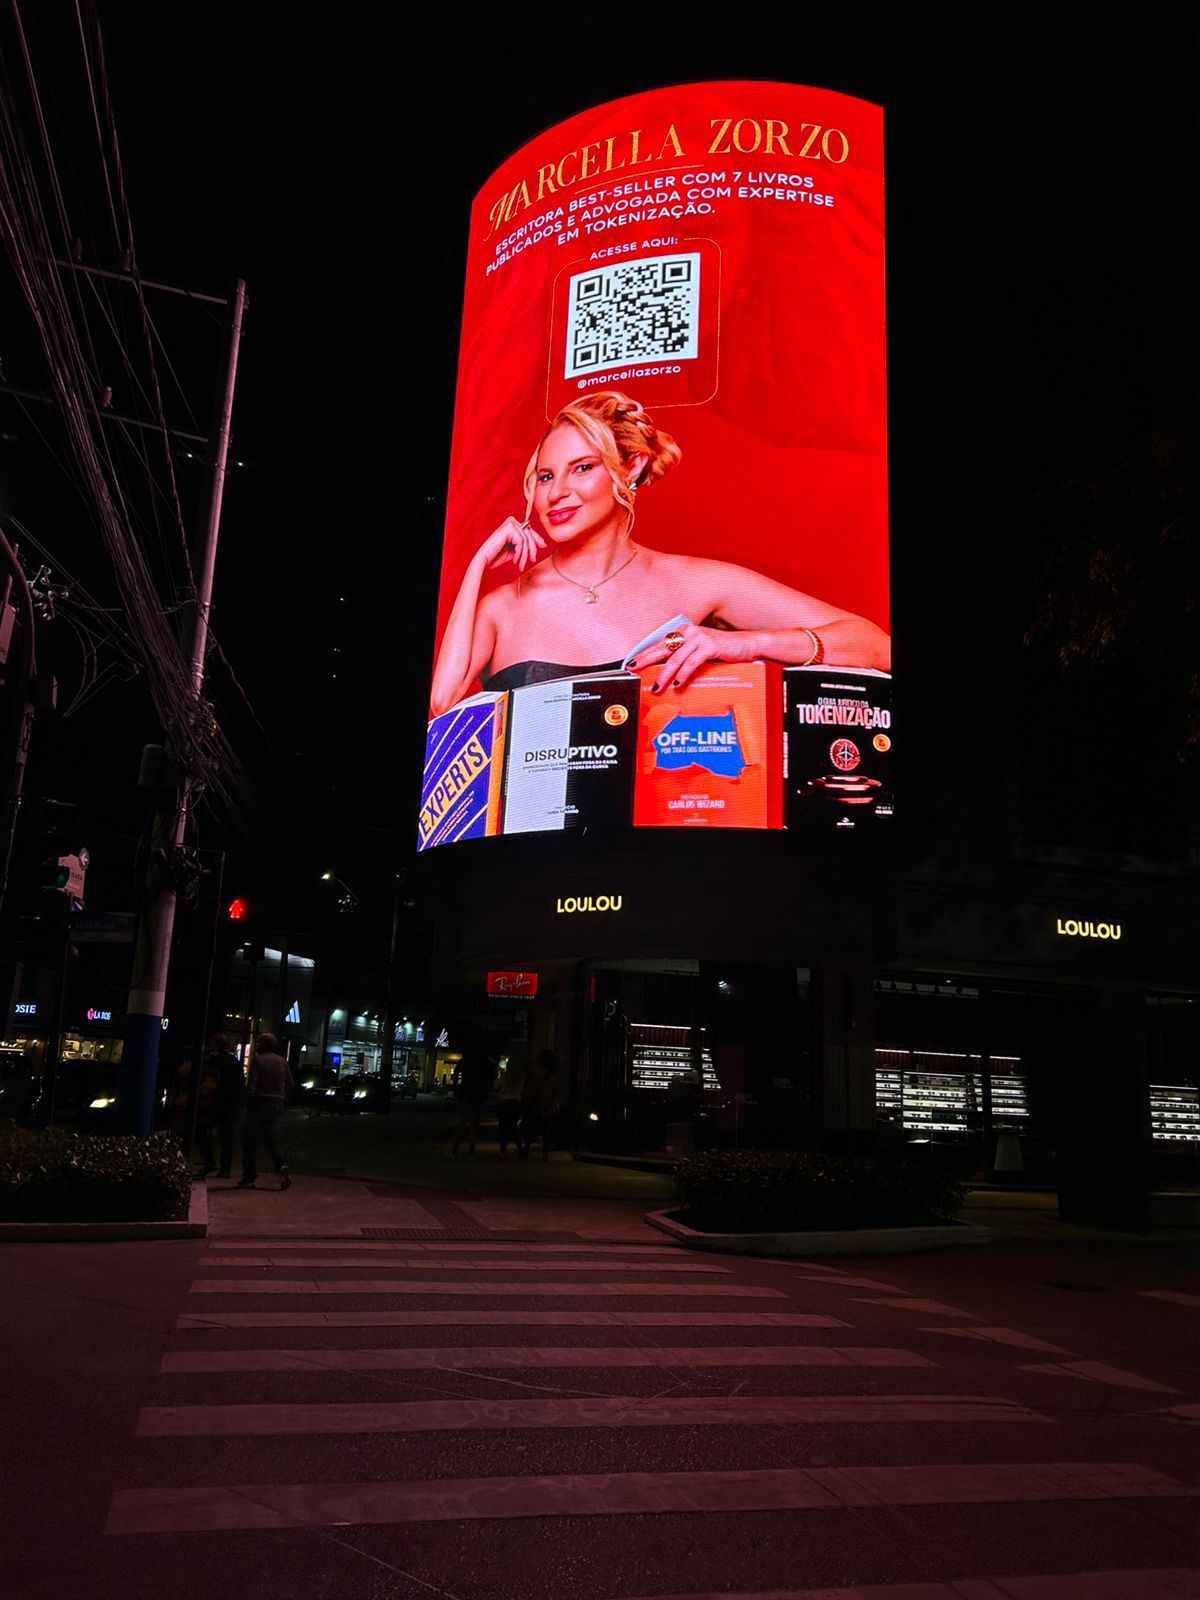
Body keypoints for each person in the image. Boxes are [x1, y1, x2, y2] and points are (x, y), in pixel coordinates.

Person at [429, 390, 890, 716]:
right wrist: (476, 566)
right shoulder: (501, 607)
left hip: (672, 838)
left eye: (582, 468)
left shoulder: (699, 583)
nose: (557, 493)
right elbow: (442, 705)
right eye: (546, 477)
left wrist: (741, 643)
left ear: (630, 467)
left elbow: (877, 647)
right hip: (541, 842)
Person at [237, 1033, 295, 1190]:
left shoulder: (257, 1060)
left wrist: (246, 1102)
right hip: (275, 1105)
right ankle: (281, 1166)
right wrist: (283, 1100)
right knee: (273, 1141)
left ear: (263, 1045)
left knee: (249, 1141)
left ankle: (249, 1176)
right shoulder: (282, 1061)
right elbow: (290, 1084)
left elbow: (253, 1084)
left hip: (258, 1105)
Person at [450, 1040, 496, 1159]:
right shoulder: (486, 1062)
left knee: (461, 1122)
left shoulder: (465, 1061)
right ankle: (471, 1149)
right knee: (473, 1124)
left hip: (465, 1093)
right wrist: (486, 1091)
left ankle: (454, 1149)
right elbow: (492, 1077)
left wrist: (456, 1090)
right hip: (479, 1095)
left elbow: (455, 1075)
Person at [208, 1033, 244, 1178]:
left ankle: (211, 1162)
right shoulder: (232, 1061)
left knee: (216, 1135)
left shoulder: (214, 1061)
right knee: (226, 1138)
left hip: (221, 1102)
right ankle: (225, 1168)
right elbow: (240, 1083)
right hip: (230, 1104)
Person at [519, 1049, 560, 1161]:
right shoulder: (552, 1073)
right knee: (545, 1129)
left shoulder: (536, 1071)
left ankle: (527, 1149)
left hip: (537, 1103)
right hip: (547, 1104)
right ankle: (544, 1152)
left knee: (531, 1126)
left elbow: (532, 1086)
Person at [494, 1058, 524, 1160]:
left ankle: (503, 1153)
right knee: (513, 1126)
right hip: (516, 1103)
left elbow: (495, 1086)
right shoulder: (521, 1078)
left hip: (504, 1103)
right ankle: (520, 1148)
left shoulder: (504, 1076)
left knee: (503, 1129)